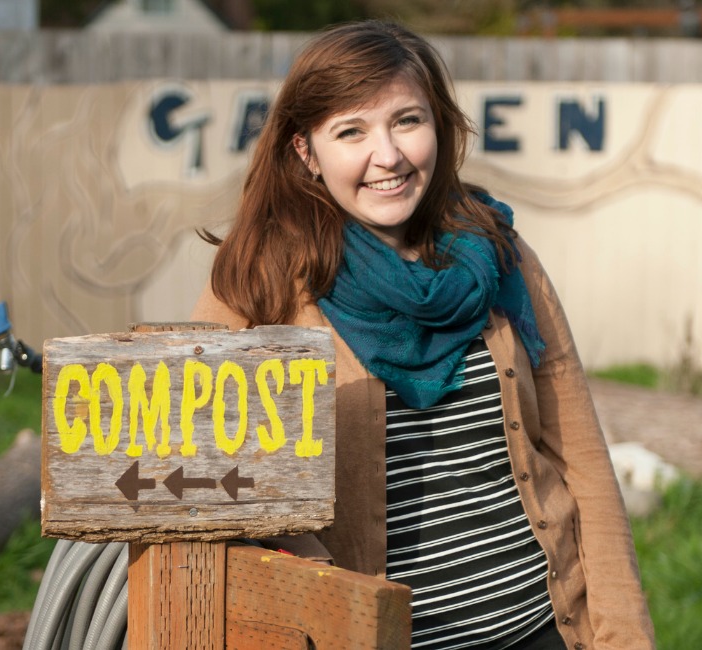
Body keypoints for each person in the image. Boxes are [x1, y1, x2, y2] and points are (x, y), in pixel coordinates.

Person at [191, 21, 656, 650]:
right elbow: (201, 478)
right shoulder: (259, 283)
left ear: (437, 123)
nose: (388, 155)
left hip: (542, 629)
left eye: (406, 121)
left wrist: (623, 636)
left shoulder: (499, 254)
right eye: (351, 132)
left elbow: (585, 465)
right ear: (306, 151)